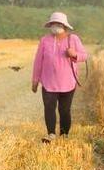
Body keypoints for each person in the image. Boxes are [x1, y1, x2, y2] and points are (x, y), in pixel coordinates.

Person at [31, 12, 87, 143]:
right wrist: (35, 80)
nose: (55, 26)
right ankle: (50, 134)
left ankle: (64, 135)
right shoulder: (44, 40)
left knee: (64, 110)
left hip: (68, 82)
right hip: (48, 82)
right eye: (53, 23)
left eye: (58, 23)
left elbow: (84, 55)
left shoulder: (73, 39)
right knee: (49, 108)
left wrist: (74, 54)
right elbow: (38, 61)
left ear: (64, 25)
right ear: (50, 25)